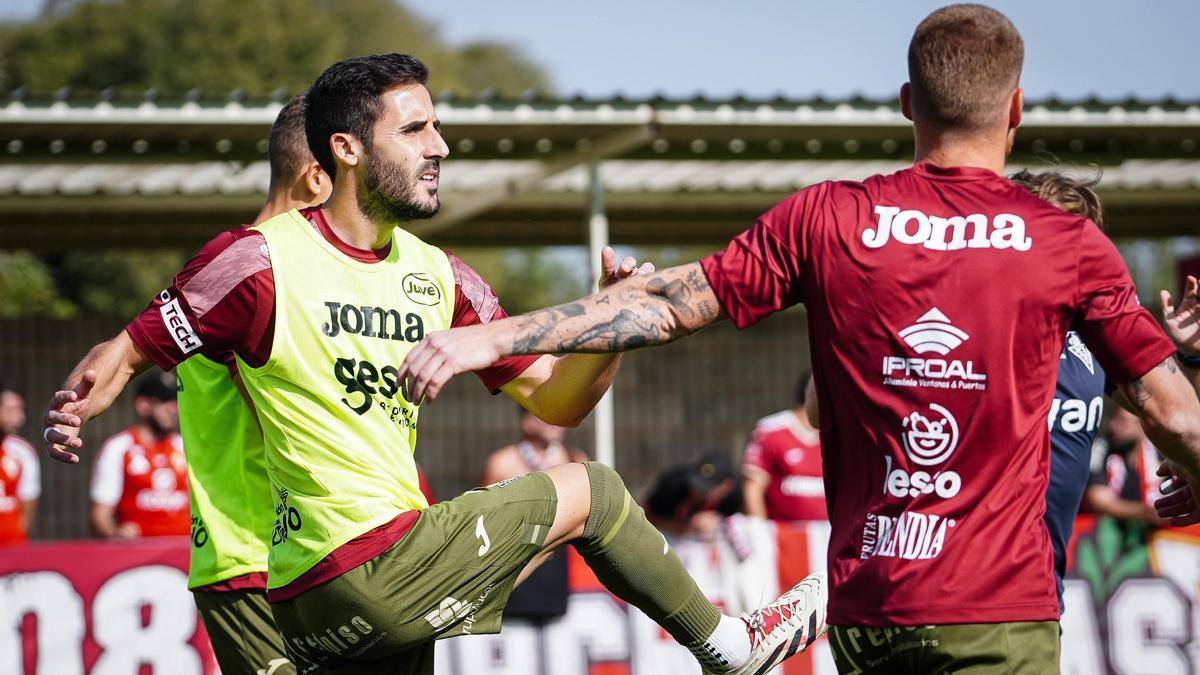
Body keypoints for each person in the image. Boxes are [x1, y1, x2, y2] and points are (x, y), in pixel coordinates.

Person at [395, 6, 1200, 673]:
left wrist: (489, 338)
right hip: (998, 614)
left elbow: (667, 305)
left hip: (867, 612)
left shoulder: (830, 218)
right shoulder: (1065, 243)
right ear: (1016, 108)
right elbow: (1173, 413)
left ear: (907, 102)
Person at [43, 54, 824, 675]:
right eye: (416, 129)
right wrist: (80, 404)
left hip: (326, 596)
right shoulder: (257, 261)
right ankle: (730, 644)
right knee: (594, 487)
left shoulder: (441, 276)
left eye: (437, 128)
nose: (440, 147)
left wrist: (605, 327)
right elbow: (131, 346)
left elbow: (557, 402)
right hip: (334, 564)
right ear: (343, 151)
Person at [175, 94, 330, 675]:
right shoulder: (248, 276)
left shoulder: (261, 271)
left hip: (304, 558)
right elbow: (287, 415)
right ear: (317, 178)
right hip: (251, 561)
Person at [480, 408, 587, 624]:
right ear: (526, 421)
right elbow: (484, 523)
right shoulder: (502, 463)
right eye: (548, 413)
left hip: (556, 583)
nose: (557, 422)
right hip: (513, 582)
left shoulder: (575, 460)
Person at [89, 372, 188, 539]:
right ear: (142, 405)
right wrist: (116, 533)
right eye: (164, 400)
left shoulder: (183, 447)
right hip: (138, 551)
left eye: (176, 401)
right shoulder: (118, 448)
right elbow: (99, 517)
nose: (173, 409)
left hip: (184, 549)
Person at [742, 372, 825, 522]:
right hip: (783, 532)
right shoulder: (770, 431)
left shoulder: (840, 434)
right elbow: (753, 489)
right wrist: (760, 530)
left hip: (828, 531)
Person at [0, 380, 39, 544]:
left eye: (20, 410)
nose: (20, 418)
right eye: (11, 410)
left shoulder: (22, 452)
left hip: (12, 549)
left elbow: (28, 507)